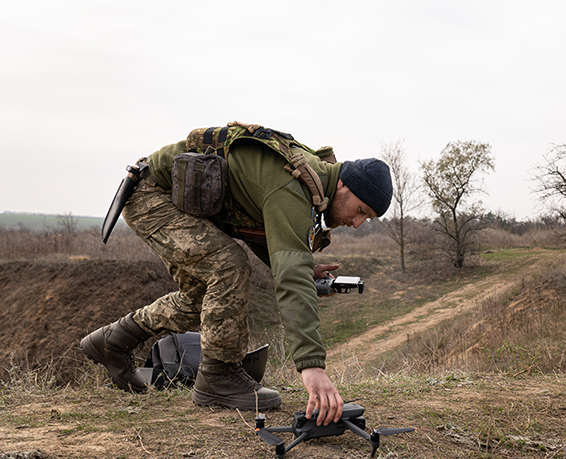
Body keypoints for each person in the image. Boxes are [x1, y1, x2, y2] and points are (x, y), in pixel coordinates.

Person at [80, 123, 392, 427]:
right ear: (342, 185)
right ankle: (218, 375)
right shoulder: (295, 186)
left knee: (204, 297)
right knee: (228, 265)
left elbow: (277, 246)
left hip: (175, 200)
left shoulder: (310, 184)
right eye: (361, 210)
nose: (357, 223)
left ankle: (112, 341)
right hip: (151, 194)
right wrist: (311, 367)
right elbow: (290, 281)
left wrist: (306, 270)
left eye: (368, 218)